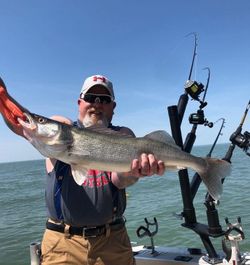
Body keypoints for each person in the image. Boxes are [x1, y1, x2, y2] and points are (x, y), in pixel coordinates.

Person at [38, 74, 165, 265]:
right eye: (90, 98)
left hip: (112, 242)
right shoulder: (60, 133)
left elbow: (119, 181)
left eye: (104, 100)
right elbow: (28, 123)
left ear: (113, 107)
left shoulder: (124, 136)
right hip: (62, 244)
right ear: (79, 102)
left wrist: (133, 173)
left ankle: (202, 166)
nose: (97, 104)